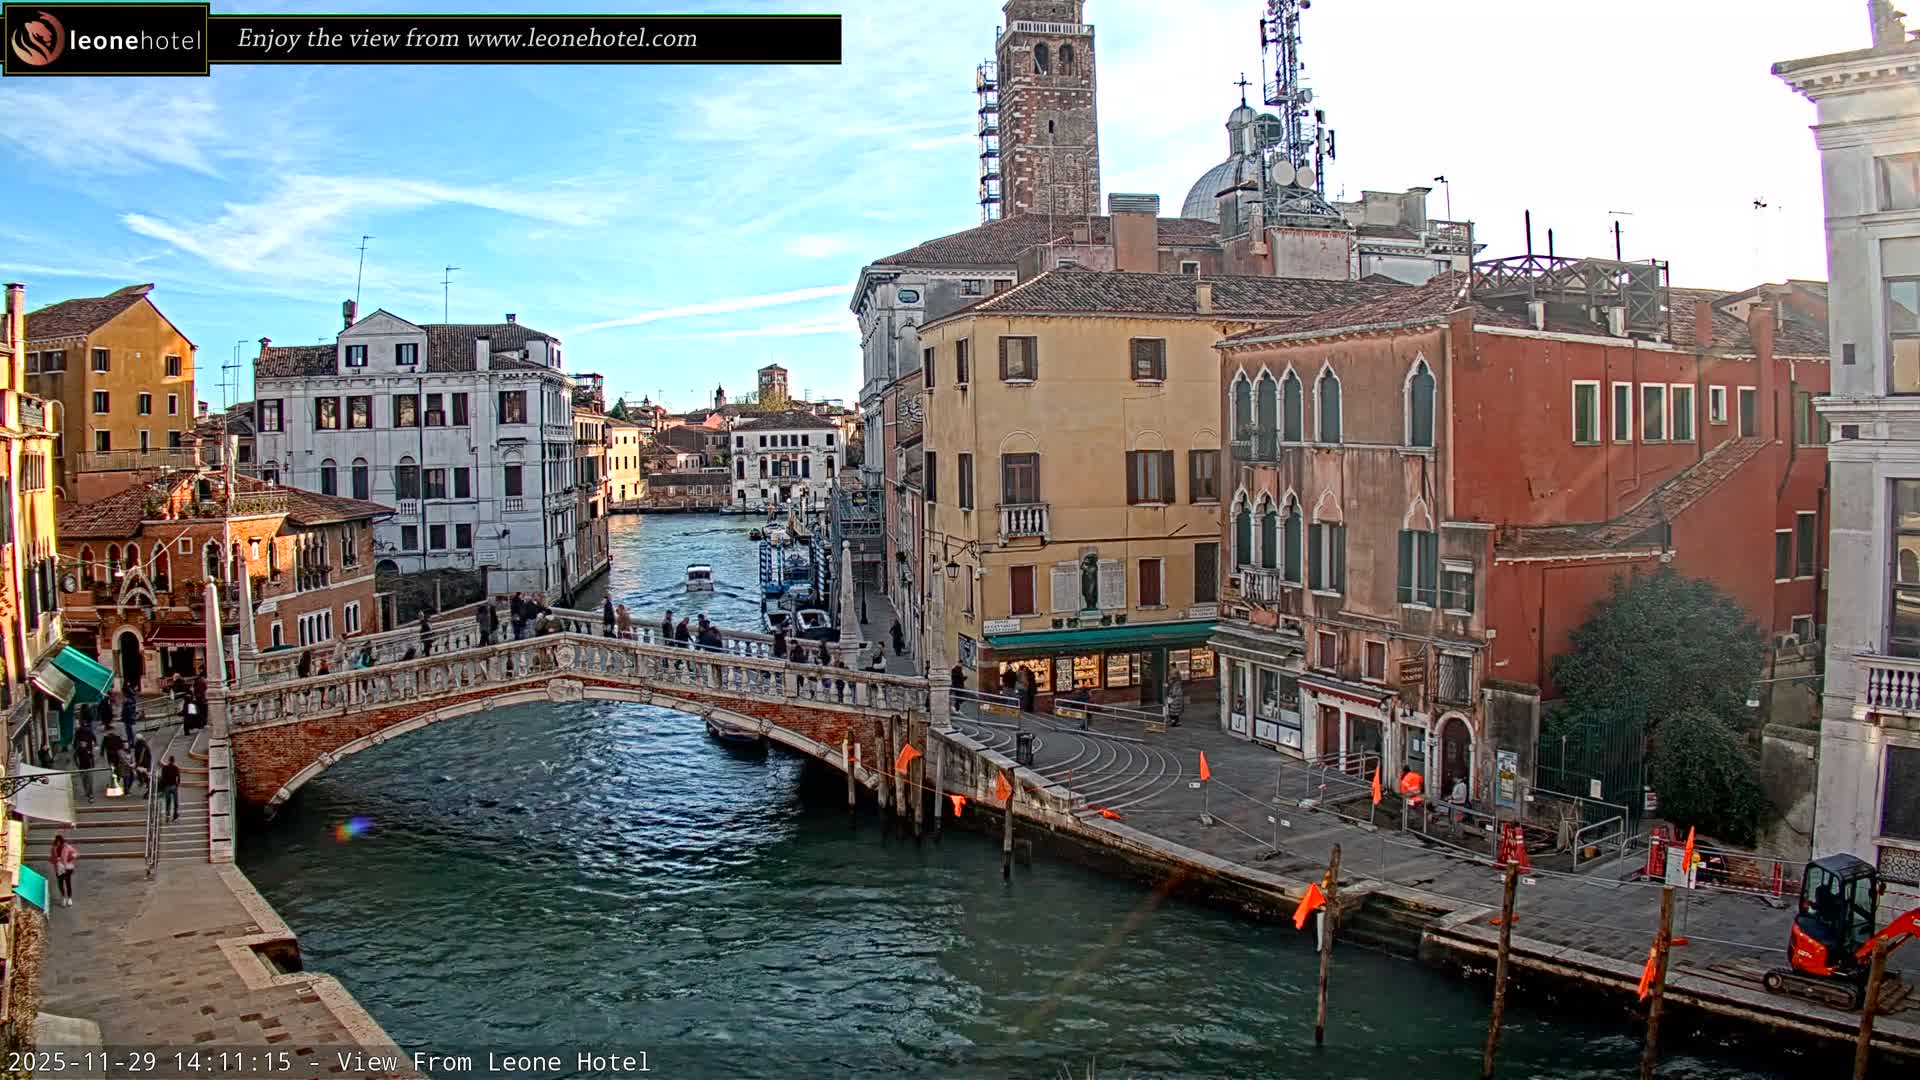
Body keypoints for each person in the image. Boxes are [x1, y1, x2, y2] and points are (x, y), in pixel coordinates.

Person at [50, 834, 76, 908]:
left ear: (61, 841)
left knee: (68, 882)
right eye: (57, 841)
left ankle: (69, 898)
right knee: (60, 883)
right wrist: (54, 860)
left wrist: (70, 858)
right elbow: (52, 858)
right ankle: (63, 897)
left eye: (59, 841)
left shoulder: (67, 847)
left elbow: (74, 853)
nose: (58, 843)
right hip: (58, 868)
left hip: (67, 867)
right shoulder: (53, 848)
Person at [73, 726, 97, 803]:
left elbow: (92, 757)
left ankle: (90, 793)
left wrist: (93, 765)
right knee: (84, 781)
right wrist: (77, 764)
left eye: (84, 743)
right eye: (82, 743)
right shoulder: (79, 750)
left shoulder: (88, 750)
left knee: (90, 781)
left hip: (88, 767)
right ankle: (87, 792)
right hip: (82, 767)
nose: (84, 744)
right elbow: (75, 757)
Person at [158, 755, 182, 822]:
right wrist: (177, 785)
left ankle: (167, 815)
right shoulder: (176, 768)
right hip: (173, 786)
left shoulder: (164, 768)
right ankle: (175, 815)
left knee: (168, 802)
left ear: (169, 760)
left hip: (167, 787)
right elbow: (178, 778)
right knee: (175, 802)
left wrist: (163, 786)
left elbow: (162, 778)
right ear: (174, 761)